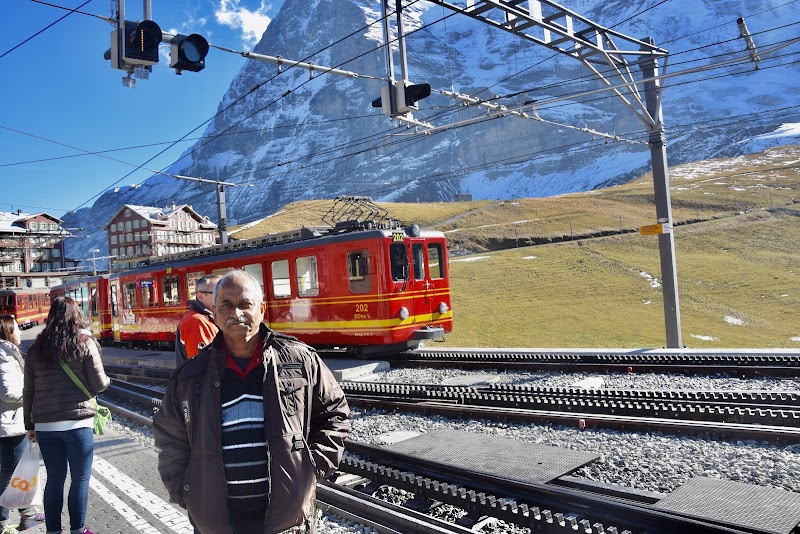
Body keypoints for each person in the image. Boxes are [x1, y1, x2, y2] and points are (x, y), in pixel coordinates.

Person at [154, 270, 350, 534]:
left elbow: (333, 412)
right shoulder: (190, 377)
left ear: (262, 309)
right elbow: (169, 439)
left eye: (245, 304)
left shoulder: (299, 360)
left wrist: (311, 467)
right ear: (215, 311)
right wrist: (188, 491)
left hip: (285, 523)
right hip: (217, 525)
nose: (236, 313)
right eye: (226, 305)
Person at [23, 298, 110, 534]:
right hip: (78, 423)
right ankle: (77, 530)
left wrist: (29, 425)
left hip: (46, 427)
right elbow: (100, 384)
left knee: (55, 479)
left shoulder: (35, 348)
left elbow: (28, 391)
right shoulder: (84, 342)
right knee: (80, 479)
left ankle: (53, 531)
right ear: (75, 315)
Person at [0, 316, 44, 533]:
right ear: (8, 331)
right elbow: (7, 391)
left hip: (10, 422)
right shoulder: (3, 356)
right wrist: (30, 395)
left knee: (16, 472)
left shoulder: (7, 353)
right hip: (8, 425)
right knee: (11, 474)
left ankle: (27, 515)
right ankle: (6, 521)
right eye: (17, 328)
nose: (20, 332)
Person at [175, 275, 221, 366]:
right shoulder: (196, 321)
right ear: (200, 296)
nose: (223, 297)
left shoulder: (207, 318)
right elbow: (203, 364)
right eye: (217, 293)